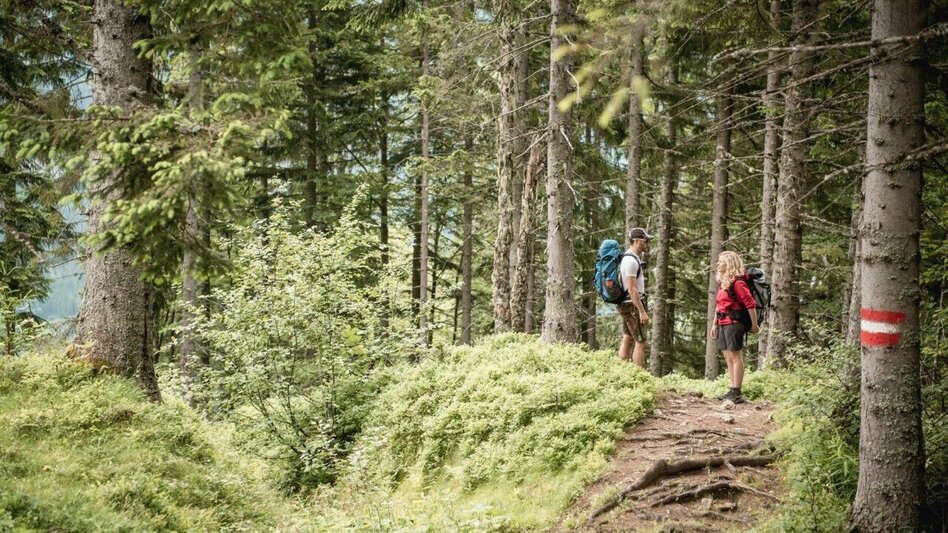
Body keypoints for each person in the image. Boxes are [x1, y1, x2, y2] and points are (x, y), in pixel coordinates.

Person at [710, 251, 759, 403]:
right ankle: (732, 389)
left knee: (736, 357)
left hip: (734, 323)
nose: (718, 264)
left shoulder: (738, 283)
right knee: (728, 357)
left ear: (729, 264)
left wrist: (754, 325)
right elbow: (719, 305)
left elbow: (750, 304)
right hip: (723, 322)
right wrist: (714, 324)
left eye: (721, 262)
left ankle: (736, 391)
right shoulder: (724, 283)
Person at [618, 228, 651, 367]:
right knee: (641, 342)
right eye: (646, 240)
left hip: (626, 303)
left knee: (628, 338)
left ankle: (622, 372)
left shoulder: (629, 258)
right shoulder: (630, 261)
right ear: (637, 241)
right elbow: (632, 288)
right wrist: (642, 311)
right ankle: (639, 379)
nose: (648, 243)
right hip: (632, 304)